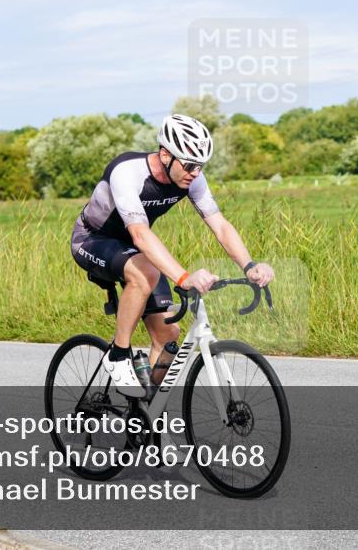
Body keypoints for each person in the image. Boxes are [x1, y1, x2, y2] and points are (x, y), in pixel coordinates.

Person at [70, 114, 274, 397]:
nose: (195, 172)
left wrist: (249, 265)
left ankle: (145, 415)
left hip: (134, 247)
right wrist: (184, 277)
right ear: (165, 154)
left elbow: (220, 225)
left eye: (201, 166)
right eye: (189, 164)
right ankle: (117, 355)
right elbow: (141, 234)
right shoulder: (127, 171)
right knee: (147, 274)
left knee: (168, 335)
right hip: (93, 239)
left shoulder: (192, 179)